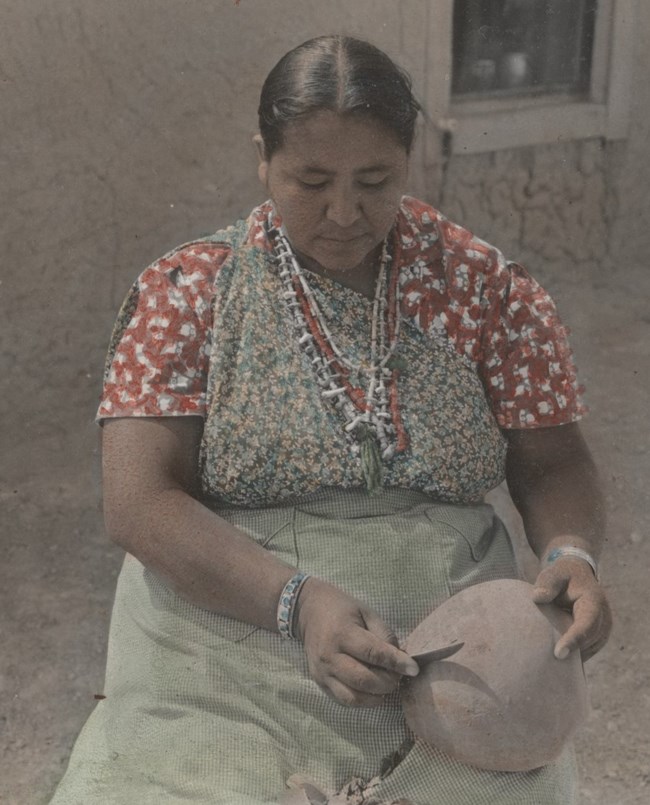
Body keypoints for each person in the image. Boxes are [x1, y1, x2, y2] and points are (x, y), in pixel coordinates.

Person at [49, 35, 612, 805]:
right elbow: (139, 500)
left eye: (374, 180)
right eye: (310, 180)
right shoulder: (189, 291)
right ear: (262, 159)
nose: (343, 212)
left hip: (442, 647)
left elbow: (554, 462)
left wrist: (573, 550)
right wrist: (298, 601)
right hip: (230, 633)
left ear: (410, 162)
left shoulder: (485, 290)